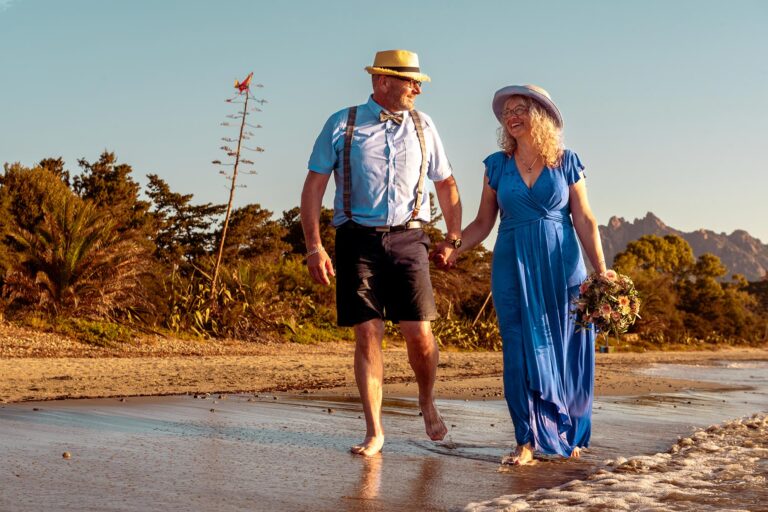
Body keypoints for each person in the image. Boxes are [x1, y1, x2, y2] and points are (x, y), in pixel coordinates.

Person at [300, 49, 462, 457]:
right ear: (382, 82)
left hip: (410, 239)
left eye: (419, 82)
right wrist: (315, 247)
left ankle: (426, 400)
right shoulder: (342, 123)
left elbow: (446, 183)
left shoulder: (425, 126)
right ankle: (375, 431)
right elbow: (314, 188)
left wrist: (453, 237)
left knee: (419, 333)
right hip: (356, 240)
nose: (418, 88)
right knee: (368, 333)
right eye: (411, 81)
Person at [437, 84, 606, 465]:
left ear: (541, 116)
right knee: (518, 349)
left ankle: (571, 432)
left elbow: (584, 218)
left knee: (568, 347)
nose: (512, 116)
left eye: (521, 109)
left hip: (563, 267)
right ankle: (526, 440)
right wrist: (455, 245)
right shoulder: (496, 166)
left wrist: (602, 269)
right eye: (507, 111)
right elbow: (483, 222)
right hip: (512, 264)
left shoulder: (566, 162)